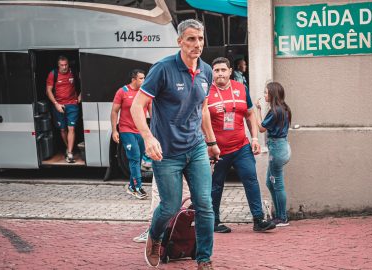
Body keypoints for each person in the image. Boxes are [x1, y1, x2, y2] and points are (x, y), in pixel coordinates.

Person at [130, 19, 219, 270]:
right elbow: (137, 106)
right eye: (191, 39)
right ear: (179, 41)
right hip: (167, 152)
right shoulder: (163, 69)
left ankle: (204, 259)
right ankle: (155, 237)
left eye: (200, 39)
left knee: (204, 203)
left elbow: (202, 109)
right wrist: (148, 138)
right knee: (169, 206)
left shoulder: (207, 71)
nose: (197, 44)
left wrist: (211, 141)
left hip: (196, 146)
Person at [208, 57, 275, 233]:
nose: (220, 73)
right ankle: (213, 221)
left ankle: (258, 219)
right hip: (217, 150)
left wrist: (254, 138)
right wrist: (208, 144)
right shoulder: (206, 91)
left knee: (251, 179)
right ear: (212, 73)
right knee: (216, 185)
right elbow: (199, 120)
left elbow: (250, 114)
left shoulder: (241, 88)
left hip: (241, 146)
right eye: (216, 70)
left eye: (223, 70)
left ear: (230, 71)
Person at [255, 82, 292, 227]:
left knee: (277, 184)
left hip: (277, 150)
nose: (264, 95)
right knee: (270, 183)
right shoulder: (284, 108)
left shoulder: (275, 111)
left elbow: (261, 128)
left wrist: (257, 111)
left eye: (266, 92)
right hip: (281, 147)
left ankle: (282, 217)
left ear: (272, 94)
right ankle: (279, 215)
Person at [111, 69, 151, 200]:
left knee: (138, 159)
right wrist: (114, 130)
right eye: (141, 78)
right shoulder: (122, 91)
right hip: (126, 130)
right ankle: (138, 188)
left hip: (140, 130)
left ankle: (131, 186)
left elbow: (152, 112)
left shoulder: (145, 92)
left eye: (144, 78)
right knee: (134, 157)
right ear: (133, 79)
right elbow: (114, 111)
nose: (144, 81)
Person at [46, 55, 81, 163]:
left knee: (71, 128)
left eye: (66, 65)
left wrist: (80, 96)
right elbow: (48, 91)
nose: (64, 67)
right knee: (62, 129)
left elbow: (87, 81)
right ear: (58, 65)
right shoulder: (53, 74)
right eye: (62, 65)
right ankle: (68, 148)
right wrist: (56, 104)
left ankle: (69, 153)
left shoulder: (73, 72)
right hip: (59, 105)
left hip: (72, 104)